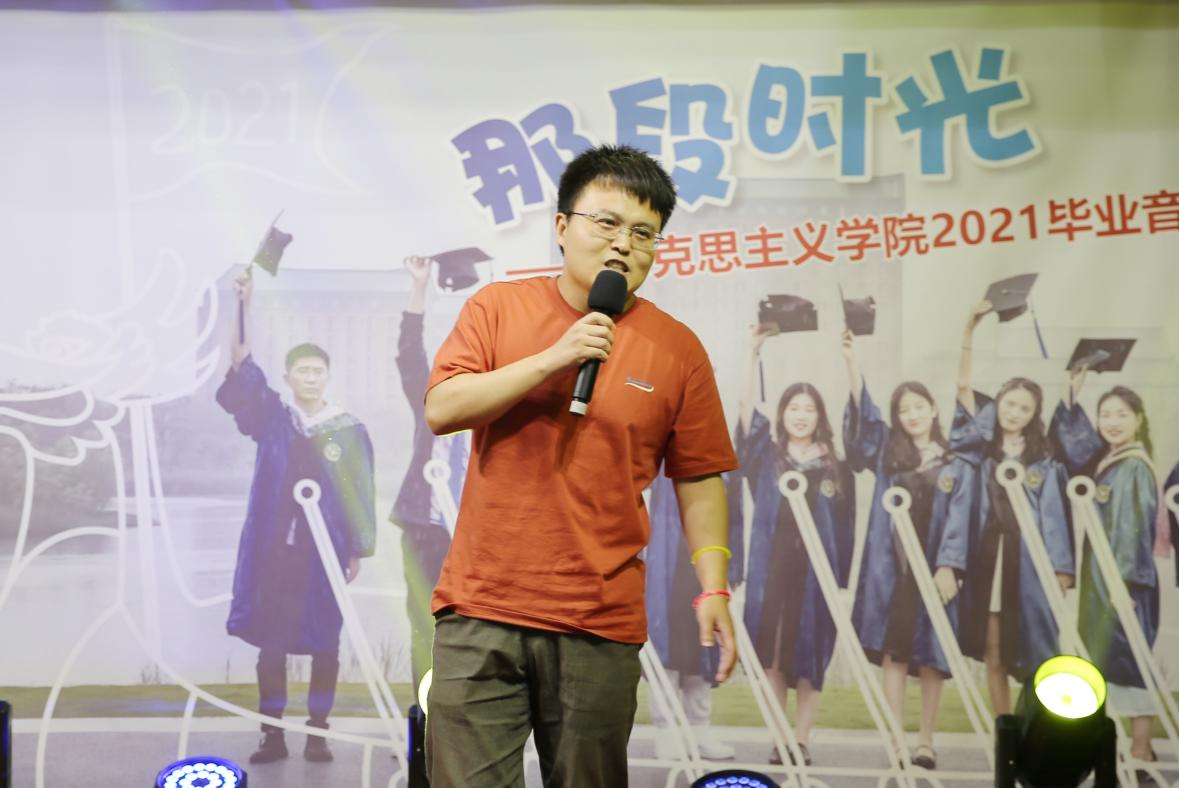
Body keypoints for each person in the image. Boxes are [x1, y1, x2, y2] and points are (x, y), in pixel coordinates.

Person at [422, 144, 738, 788]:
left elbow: (700, 476)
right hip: (482, 609)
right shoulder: (496, 308)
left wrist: (713, 588)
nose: (624, 244)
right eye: (608, 222)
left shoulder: (678, 350)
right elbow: (443, 408)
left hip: (599, 621)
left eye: (644, 233)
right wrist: (554, 357)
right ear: (563, 226)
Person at [215, 270, 376, 765]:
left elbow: (360, 492)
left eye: (317, 370)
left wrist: (357, 548)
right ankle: (273, 735)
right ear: (288, 377)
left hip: (325, 553)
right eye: (301, 370)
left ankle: (318, 733)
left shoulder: (347, 429)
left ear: (327, 376)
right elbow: (241, 364)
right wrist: (243, 304)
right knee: (272, 645)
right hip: (277, 553)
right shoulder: (274, 418)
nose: (310, 377)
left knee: (326, 644)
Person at [841, 328, 973, 771]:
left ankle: (926, 741)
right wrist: (852, 362)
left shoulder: (954, 462)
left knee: (933, 656)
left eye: (919, 406)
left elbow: (959, 517)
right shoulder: (888, 455)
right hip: (894, 571)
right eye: (904, 409)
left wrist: (950, 566)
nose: (912, 414)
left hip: (935, 571)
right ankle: (896, 740)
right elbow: (864, 419)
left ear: (933, 409)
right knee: (894, 653)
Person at [729, 325, 855, 766]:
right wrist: (752, 354)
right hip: (772, 572)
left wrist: (840, 581)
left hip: (816, 577)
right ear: (782, 414)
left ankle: (802, 738)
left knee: (810, 656)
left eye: (809, 409)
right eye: (794, 408)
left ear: (820, 416)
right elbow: (746, 414)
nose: (801, 416)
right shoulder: (767, 456)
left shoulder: (834, 465)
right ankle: (780, 737)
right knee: (773, 654)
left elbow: (846, 526)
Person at [953, 300, 1074, 713]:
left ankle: (1035, 726)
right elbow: (963, 388)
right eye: (1009, 404)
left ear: (1034, 414)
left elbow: (1054, 517)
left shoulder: (1042, 459)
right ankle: (1003, 729)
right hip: (991, 559)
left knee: (1037, 647)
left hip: (1029, 564)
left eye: (1024, 408)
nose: (1015, 412)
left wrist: (1061, 568)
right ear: (998, 403)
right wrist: (969, 330)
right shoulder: (981, 448)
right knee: (993, 651)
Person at [1050, 371, 1159, 765]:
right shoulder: (1110, 460)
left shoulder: (1134, 466)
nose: (1112, 422)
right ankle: (1117, 751)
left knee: (1131, 663)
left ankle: (1141, 752)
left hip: (1123, 582)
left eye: (1122, 415)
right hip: (1102, 578)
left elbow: (1133, 529)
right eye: (1106, 415)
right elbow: (1073, 449)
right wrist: (1070, 394)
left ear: (1139, 419)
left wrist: (1123, 583)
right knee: (1104, 663)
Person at [388, 254, 468, 688]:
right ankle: (423, 718)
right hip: (424, 526)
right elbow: (409, 354)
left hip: (474, 536)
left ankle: (464, 714)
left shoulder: (496, 411)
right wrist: (419, 286)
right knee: (423, 622)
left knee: (472, 627)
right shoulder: (430, 401)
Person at [645, 471, 735, 762]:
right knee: (667, 654)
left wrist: (733, 572)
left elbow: (731, 519)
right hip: (662, 569)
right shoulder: (656, 469)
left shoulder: (715, 471)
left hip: (701, 569)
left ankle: (699, 729)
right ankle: (667, 731)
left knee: (701, 651)